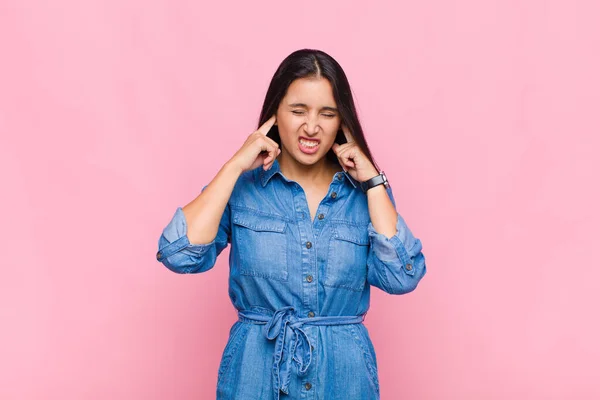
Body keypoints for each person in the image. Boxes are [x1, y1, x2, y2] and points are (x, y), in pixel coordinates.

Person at [156, 48, 427, 400]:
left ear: (341, 122)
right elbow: (179, 254)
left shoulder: (365, 195)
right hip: (254, 380)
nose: (312, 127)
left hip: (344, 381)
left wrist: (374, 182)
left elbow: (402, 277)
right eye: (298, 111)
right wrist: (235, 165)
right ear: (274, 115)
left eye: (327, 114)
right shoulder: (243, 190)